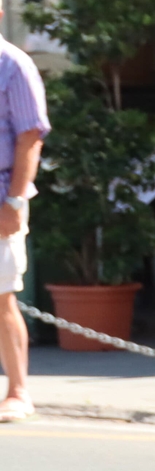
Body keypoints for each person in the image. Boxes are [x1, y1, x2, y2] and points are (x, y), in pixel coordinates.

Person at [0, 30, 48, 424]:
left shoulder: (13, 64)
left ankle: (17, 391)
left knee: (1, 298)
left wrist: (14, 202)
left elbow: (29, 136)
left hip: (1, 194)